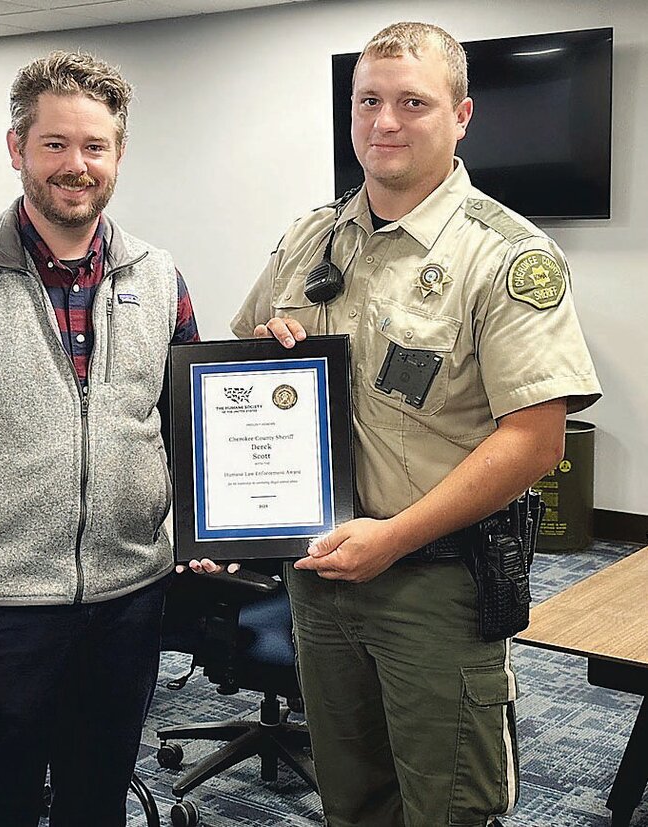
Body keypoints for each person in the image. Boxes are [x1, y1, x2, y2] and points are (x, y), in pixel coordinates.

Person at [231, 21, 601, 827]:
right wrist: (266, 356)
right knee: (351, 797)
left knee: (447, 807)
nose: (385, 122)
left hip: (437, 583)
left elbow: (534, 442)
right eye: (368, 100)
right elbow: (239, 362)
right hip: (319, 574)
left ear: (461, 116)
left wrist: (392, 538)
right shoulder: (308, 239)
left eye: (412, 102)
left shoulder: (506, 257)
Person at [0, 50, 199, 827]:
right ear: (16, 148)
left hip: (129, 596)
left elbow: (190, 425)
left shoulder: (159, 276)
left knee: (97, 801)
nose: (74, 165)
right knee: (0, 803)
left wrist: (205, 521)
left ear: (118, 154)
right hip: (5, 604)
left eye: (94, 146)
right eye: (54, 144)